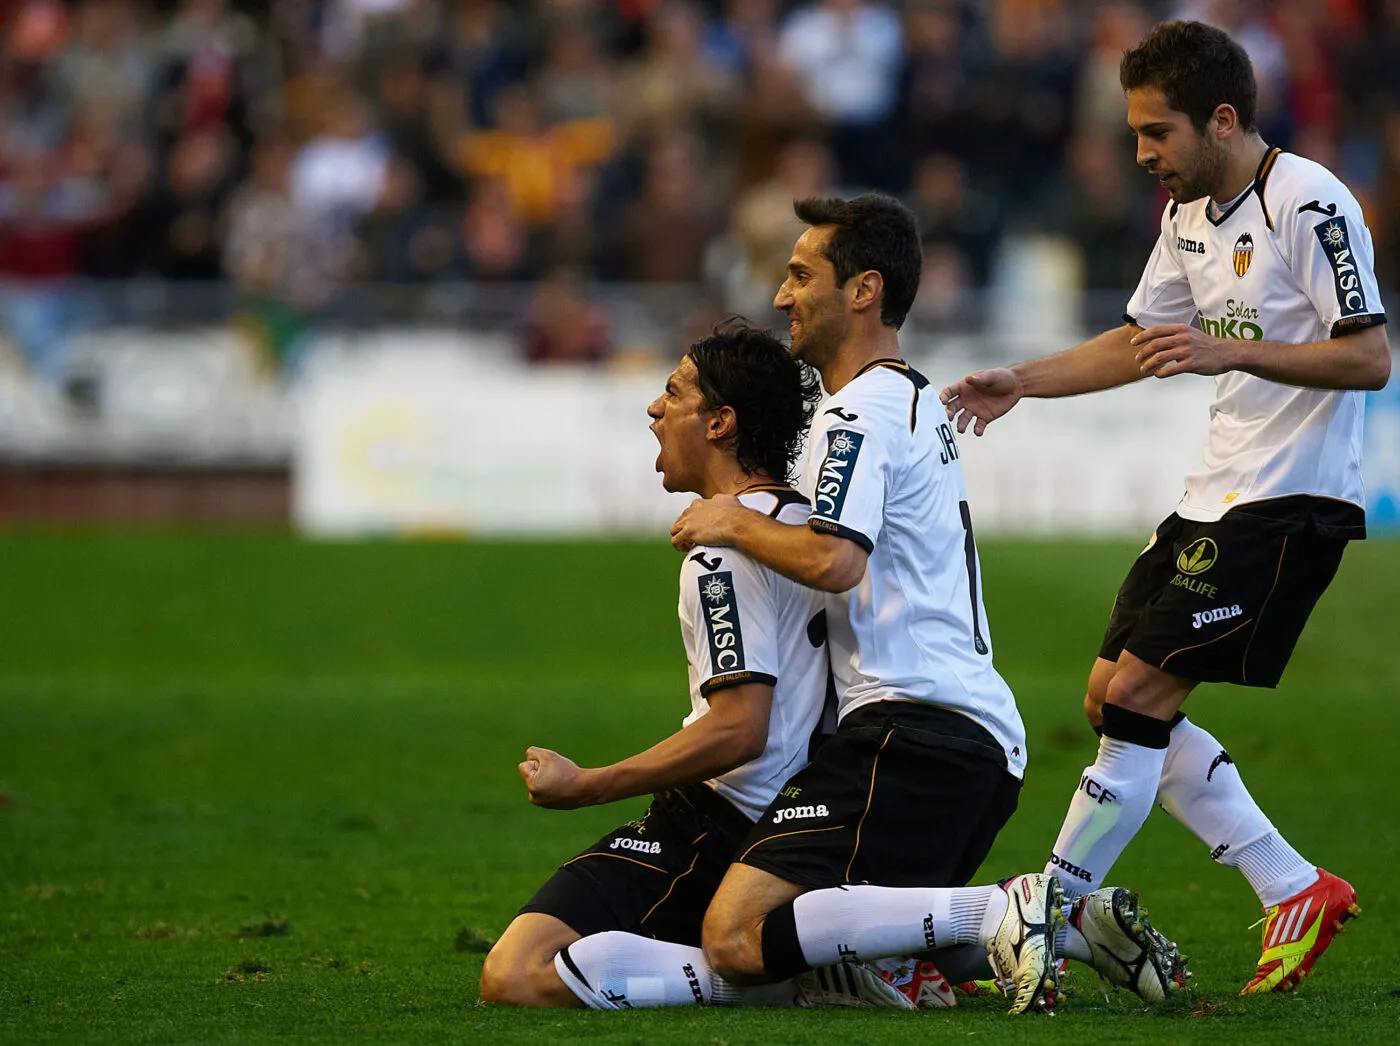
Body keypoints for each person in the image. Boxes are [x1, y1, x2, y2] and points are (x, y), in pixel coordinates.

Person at [938, 20, 1389, 995]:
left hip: (1289, 501)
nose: (1140, 154)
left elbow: (1367, 354)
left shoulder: (1306, 202)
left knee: (1140, 698)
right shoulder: (1184, 217)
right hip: (1210, 496)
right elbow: (1139, 339)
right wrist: (1020, 378)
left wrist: (1234, 351)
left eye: (1155, 133)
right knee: (1108, 695)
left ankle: (1041, 916)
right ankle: (1290, 884)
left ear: (1221, 121)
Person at [670, 194, 1185, 1014]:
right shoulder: (908, 399)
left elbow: (836, 561)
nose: (781, 296)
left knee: (737, 935)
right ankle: (1068, 924)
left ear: (864, 289)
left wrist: (730, 518)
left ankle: (1012, 908)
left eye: (802, 275)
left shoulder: (858, 413)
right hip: (972, 743)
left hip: (912, 731)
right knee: (831, 943)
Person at [479, 321, 909, 1010]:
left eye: (674, 391)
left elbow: (740, 729)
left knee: (515, 973)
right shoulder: (805, 529)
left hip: (717, 826)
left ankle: (783, 980)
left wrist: (589, 784)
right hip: (808, 825)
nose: (654, 408)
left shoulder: (722, 548)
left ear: (721, 422)